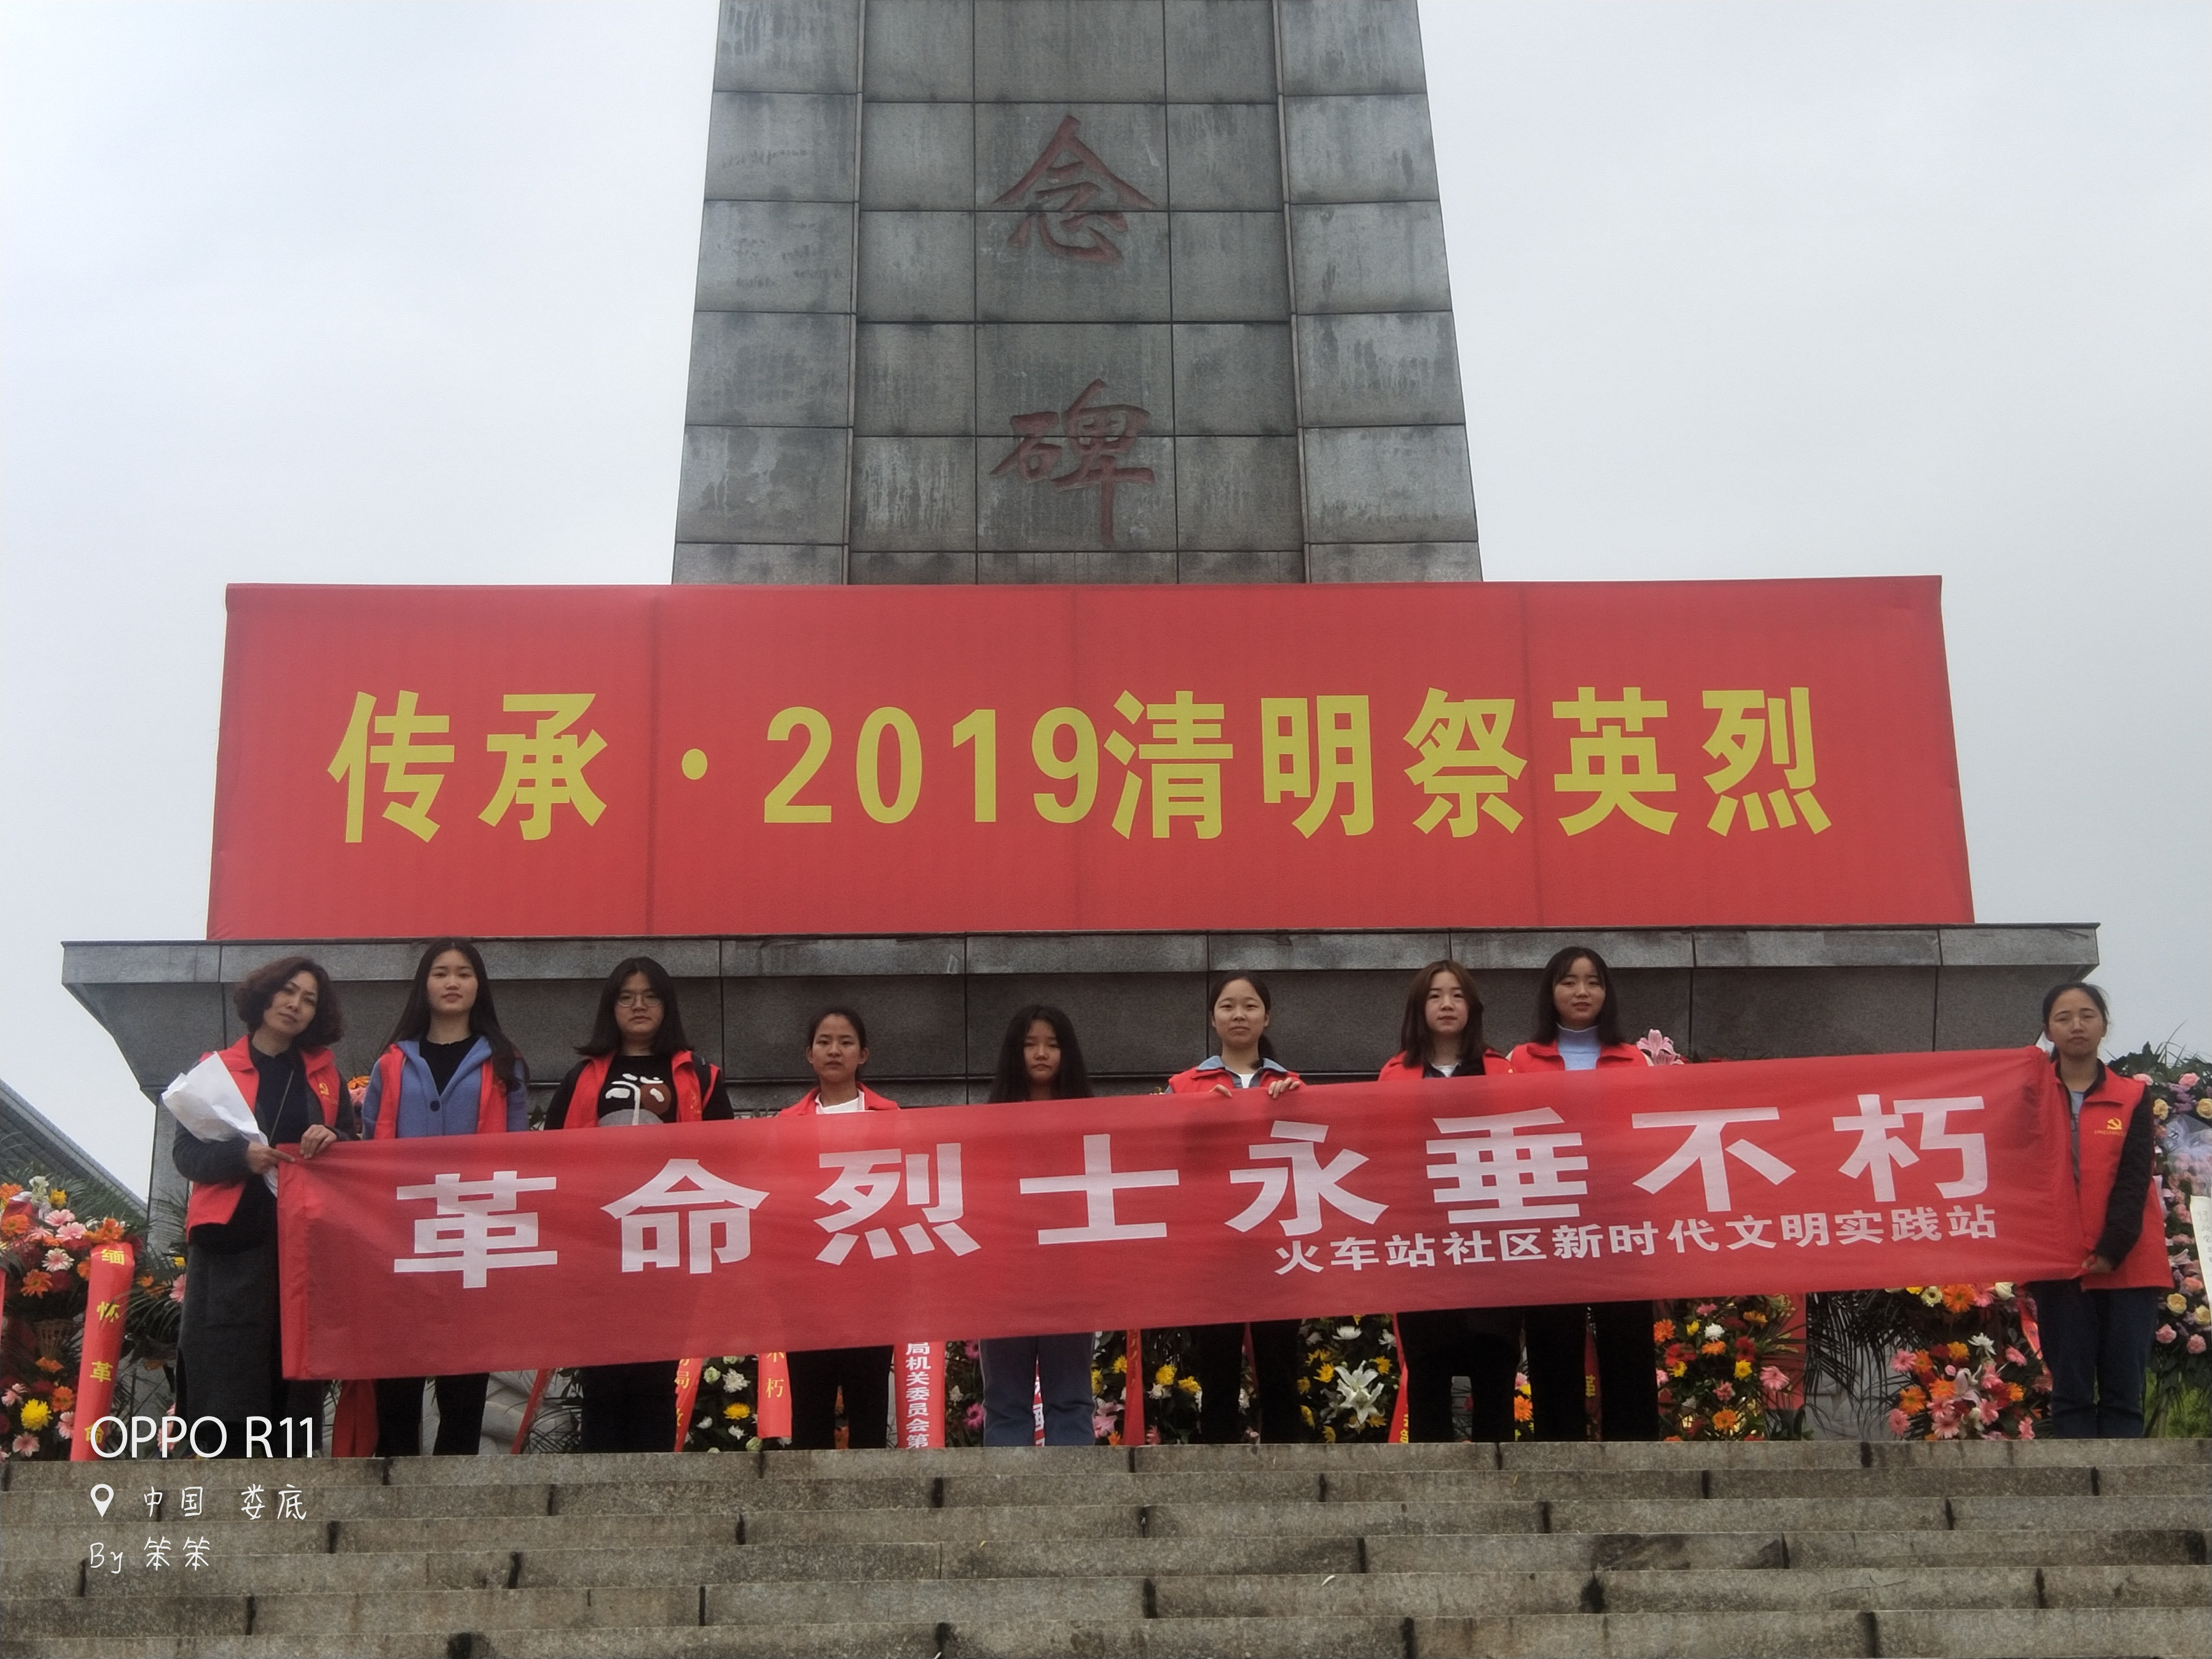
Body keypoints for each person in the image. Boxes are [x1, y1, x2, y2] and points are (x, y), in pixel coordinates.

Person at [545, 957, 734, 1453]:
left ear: (667, 1006)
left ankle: (652, 1481)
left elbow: (728, 1156)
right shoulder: (582, 1078)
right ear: (611, 1008)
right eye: (626, 997)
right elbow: (549, 1156)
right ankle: (598, 1486)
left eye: (650, 996)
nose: (639, 1006)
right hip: (598, 1244)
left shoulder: (699, 1076)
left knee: (656, 1374)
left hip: (668, 1241)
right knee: (602, 1373)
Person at [172, 955, 355, 1455]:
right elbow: (186, 1156)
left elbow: (352, 1147)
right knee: (225, 1358)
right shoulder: (215, 1072)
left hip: (301, 1241)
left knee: (291, 1358)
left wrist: (334, 1136)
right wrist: (242, 1157)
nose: (296, 1005)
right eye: (288, 991)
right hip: (230, 1242)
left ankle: (289, 1470)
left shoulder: (325, 1078)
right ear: (265, 995)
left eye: (309, 1000)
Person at [360, 939, 530, 1458]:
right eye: (440, 973)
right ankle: (395, 1469)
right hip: (401, 1230)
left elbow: (520, 1149)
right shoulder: (391, 1064)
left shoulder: (504, 1063)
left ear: (479, 986)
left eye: (463, 973)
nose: (452, 982)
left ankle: (456, 1472)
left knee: (466, 1363)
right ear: (424, 985)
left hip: (473, 1228)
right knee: (398, 1360)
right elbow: (367, 1146)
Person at [1506, 945, 1660, 1442]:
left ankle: (1635, 1454)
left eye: (1593, 982)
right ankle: (1559, 1452)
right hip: (1549, 1216)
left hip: (1620, 1215)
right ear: (1550, 992)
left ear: (1607, 993)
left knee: (1627, 1339)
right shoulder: (1521, 1061)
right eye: (1569, 981)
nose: (1582, 992)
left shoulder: (1633, 1060)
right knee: (1553, 1339)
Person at [1380, 960, 1520, 1443]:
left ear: (1472, 1008)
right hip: (1425, 1241)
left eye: (1457, 995)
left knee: (1494, 1362)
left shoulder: (1503, 1071)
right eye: (1436, 995)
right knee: (1429, 1366)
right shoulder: (1395, 1076)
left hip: (1492, 1241)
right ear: (1419, 1008)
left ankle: (1501, 1477)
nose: (1447, 1005)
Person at [1167, 974, 1306, 1443]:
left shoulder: (1292, 1084)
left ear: (1267, 1017)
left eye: (1250, 1006)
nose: (1239, 1015)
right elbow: (1164, 1156)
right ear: (1213, 1018)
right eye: (1228, 1006)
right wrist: (1194, 1117)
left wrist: (1298, 1108)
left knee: (1280, 1364)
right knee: (1217, 1365)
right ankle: (1217, 1462)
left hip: (1277, 1241)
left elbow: (1318, 1154)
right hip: (1213, 1244)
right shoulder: (1185, 1086)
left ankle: (1289, 1463)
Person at [2028, 981, 2164, 1437]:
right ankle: (2076, 1485)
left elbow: (2134, 1179)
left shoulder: (2132, 1097)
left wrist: (2112, 1248)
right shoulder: (2028, 1095)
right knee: (2070, 1395)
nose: (2077, 1026)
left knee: (2124, 1395)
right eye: (2063, 1018)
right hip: (2059, 1262)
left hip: (2128, 1262)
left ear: (2104, 1025)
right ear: (2048, 1030)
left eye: (2087, 1015)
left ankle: (2123, 1486)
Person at [778, 1007, 898, 1450]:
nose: (834, 1051)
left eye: (846, 1042)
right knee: (810, 1412)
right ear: (809, 1054)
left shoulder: (892, 1117)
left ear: (863, 1053)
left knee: (869, 1408)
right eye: (824, 1042)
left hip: (873, 1286)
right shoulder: (786, 1125)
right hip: (807, 1289)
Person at [978, 1006, 1098, 1447]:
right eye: (1030, 1045)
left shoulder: (1093, 1121)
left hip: (1071, 1271)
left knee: (1071, 1398)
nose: (1042, 1054)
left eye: (1052, 1044)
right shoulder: (985, 1126)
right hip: (1003, 1275)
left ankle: (1076, 1489)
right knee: (1005, 1401)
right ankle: (1005, 1490)